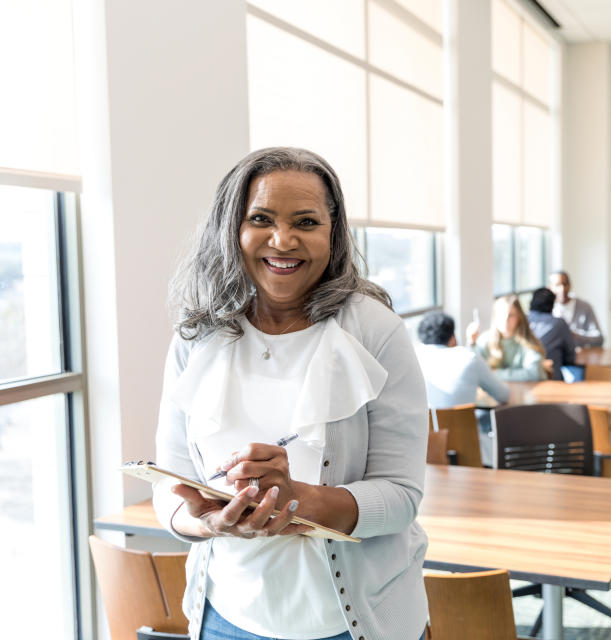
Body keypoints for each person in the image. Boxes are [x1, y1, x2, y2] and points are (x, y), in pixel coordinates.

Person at [153, 147, 428, 640]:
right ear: (231, 228)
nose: (283, 240)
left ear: (332, 232)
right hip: (226, 617)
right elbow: (168, 488)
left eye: (306, 221)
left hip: (351, 621)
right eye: (261, 218)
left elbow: (402, 497)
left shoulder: (375, 332)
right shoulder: (196, 338)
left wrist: (296, 499)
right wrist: (207, 525)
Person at [415, 312, 510, 408]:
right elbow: (503, 395)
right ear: (452, 337)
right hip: (466, 422)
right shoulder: (469, 358)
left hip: (428, 422)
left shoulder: (416, 357)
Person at [468, 296, 546, 382]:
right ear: (495, 317)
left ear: (519, 318)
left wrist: (494, 374)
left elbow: (533, 373)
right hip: (496, 394)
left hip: (528, 392)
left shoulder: (528, 341)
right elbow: (472, 369)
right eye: (501, 314)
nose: (506, 319)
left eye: (511, 315)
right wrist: (471, 342)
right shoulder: (484, 340)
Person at [527, 288, 576, 381]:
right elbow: (570, 356)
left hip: (525, 378)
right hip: (552, 379)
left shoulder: (522, 321)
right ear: (552, 305)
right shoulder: (559, 323)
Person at [549, 270, 604, 348]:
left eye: (565, 284)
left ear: (570, 285)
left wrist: (576, 336)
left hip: (581, 357)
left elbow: (599, 339)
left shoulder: (585, 307)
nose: (562, 289)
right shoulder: (547, 308)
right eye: (557, 285)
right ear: (550, 287)